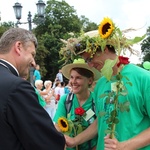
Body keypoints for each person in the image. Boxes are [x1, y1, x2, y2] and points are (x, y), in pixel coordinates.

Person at [60, 17, 150, 150]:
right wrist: (74, 141)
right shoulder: (100, 84)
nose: (90, 64)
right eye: (87, 61)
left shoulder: (143, 78)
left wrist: (123, 146)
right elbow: (100, 122)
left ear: (105, 48)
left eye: (91, 58)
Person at [0, 28, 65, 150]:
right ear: (18, 47)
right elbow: (48, 143)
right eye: (32, 54)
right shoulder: (16, 87)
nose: (34, 63)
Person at [53, 58, 101, 150]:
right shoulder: (66, 100)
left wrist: (75, 140)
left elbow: (98, 126)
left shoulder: (97, 101)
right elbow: (58, 126)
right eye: (71, 77)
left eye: (78, 78)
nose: (73, 82)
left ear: (90, 81)